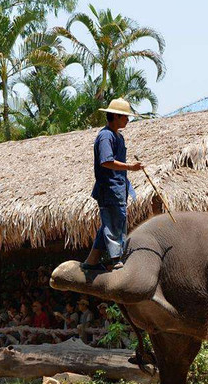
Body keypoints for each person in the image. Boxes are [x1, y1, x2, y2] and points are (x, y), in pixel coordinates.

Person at [81, 98, 144, 271]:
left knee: (111, 222)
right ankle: (116, 259)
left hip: (118, 187)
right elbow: (106, 161)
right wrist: (130, 167)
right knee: (114, 222)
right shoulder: (105, 136)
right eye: (125, 117)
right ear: (115, 116)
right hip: (109, 189)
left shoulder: (119, 137)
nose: (127, 120)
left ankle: (91, 261)